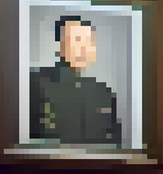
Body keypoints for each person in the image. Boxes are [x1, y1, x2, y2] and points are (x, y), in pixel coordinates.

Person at [28, 15, 121, 146]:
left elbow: (115, 143)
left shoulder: (103, 92)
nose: (84, 49)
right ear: (58, 46)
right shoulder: (33, 83)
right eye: (77, 40)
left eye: (89, 42)